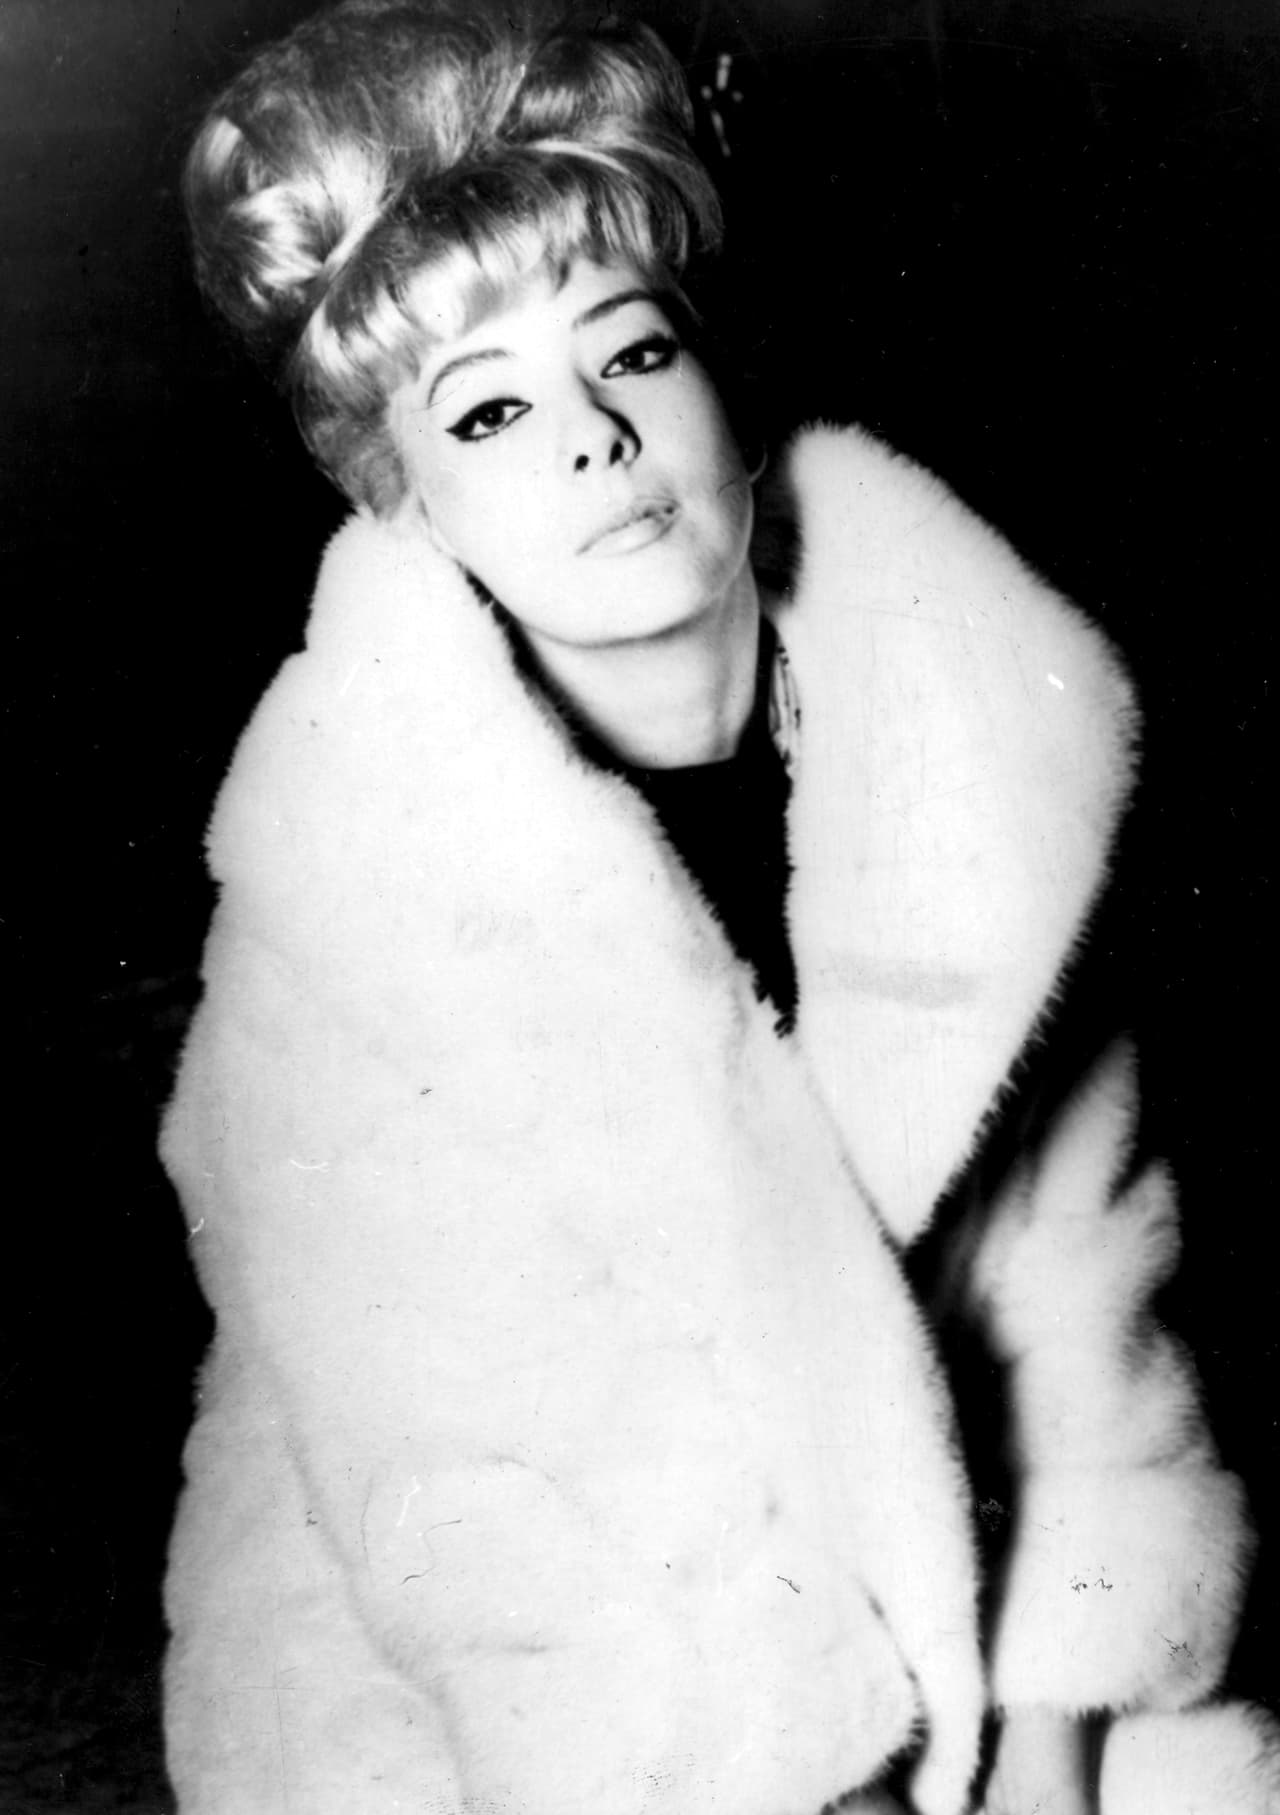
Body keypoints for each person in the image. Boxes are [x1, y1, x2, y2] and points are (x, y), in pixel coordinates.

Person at [161, 3, 1277, 1811]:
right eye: (493, 409)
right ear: (407, 502)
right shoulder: (342, 904)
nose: (595, 437)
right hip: (520, 1692)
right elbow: (509, 1538)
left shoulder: (967, 732)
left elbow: (1076, 1312)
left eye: (632, 349)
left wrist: (1054, 1745)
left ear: (718, 371)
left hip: (934, 1572)